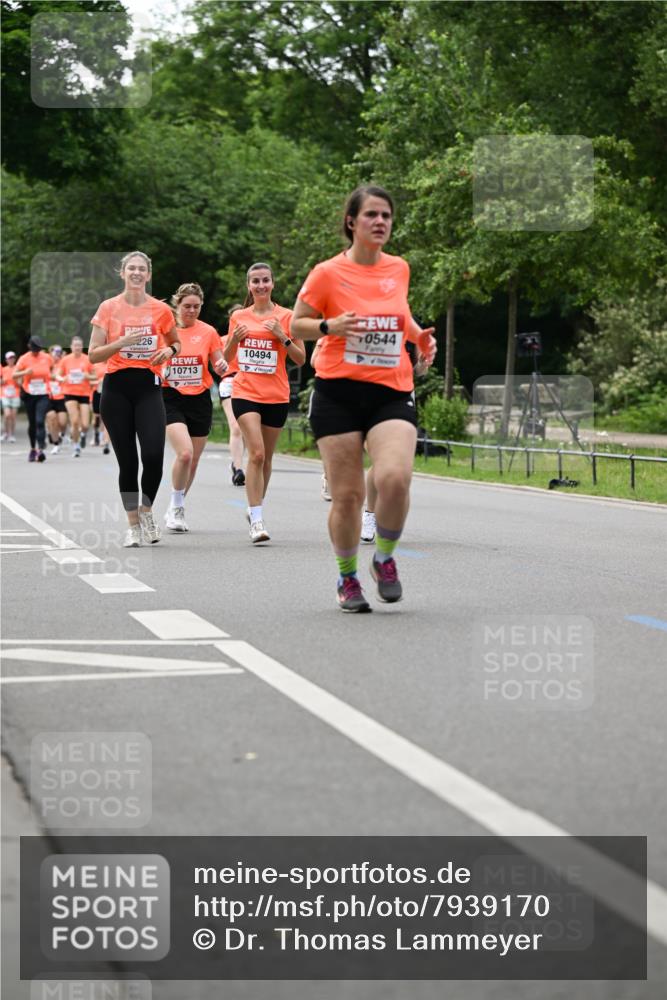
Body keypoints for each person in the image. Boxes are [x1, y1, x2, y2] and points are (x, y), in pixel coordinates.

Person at [291, 184, 436, 612]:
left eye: (386, 216)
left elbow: (399, 313)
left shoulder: (399, 268)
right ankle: (347, 576)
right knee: (348, 495)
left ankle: (385, 559)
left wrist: (417, 337)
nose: (380, 222)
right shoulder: (327, 273)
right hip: (337, 391)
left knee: (394, 478)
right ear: (351, 222)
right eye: (372, 215)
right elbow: (296, 323)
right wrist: (329, 327)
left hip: (391, 389)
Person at [88, 250, 180, 547]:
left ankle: (147, 511)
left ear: (148, 275)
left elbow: (175, 341)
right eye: (132, 268)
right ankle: (132, 525)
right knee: (128, 463)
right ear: (123, 273)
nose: (137, 273)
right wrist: (121, 343)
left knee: (153, 455)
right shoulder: (108, 308)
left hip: (148, 386)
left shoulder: (160, 310)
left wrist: (170, 351)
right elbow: (93, 355)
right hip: (116, 389)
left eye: (142, 269)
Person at [223, 263, 305, 543]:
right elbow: (226, 359)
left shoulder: (287, 316)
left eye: (265, 281)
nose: (261, 285)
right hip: (245, 392)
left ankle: (254, 505)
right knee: (255, 454)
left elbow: (300, 358)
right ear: (249, 286)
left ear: (272, 284)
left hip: (276, 395)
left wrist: (282, 337)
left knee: (266, 458)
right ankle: (257, 521)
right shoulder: (238, 317)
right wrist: (233, 340)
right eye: (255, 281)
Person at [162, 282, 226, 532]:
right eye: (187, 306)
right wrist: (162, 366)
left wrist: (221, 366)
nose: (192, 311)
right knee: (185, 453)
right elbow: (151, 360)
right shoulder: (163, 331)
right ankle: (178, 508)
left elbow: (218, 361)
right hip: (170, 396)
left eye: (196, 307)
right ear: (177, 306)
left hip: (199, 398)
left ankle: (174, 504)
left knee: (194, 459)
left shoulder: (208, 332)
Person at [360, 345, 430, 544]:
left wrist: (423, 365)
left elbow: (417, 369)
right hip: (368, 395)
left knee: (397, 463)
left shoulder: (411, 325)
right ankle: (370, 514)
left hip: (401, 397)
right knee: (379, 458)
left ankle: (387, 518)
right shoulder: (365, 319)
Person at [13, 336, 53, 462]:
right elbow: (14, 374)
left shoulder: (47, 357)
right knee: (32, 424)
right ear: (29, 347)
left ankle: (41, 449)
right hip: (29, 394)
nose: (36, 351)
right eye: (34, 349)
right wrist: (25, 373)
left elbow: (52, 369)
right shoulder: (24, 359)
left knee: (40, 420)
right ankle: (32, 448)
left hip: (43, 394)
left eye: (38, 349)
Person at [218, 304, 246, 486]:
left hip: (250, 384)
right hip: (229, 383)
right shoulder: (222, 341)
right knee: (235, 427)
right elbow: (216, 366)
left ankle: (244, 464)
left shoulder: (254, 338)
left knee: (249, 430)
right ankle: (238, 469)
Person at [56, 336, 95, 457]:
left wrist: (87, 376)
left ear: (82, 346)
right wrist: (63, 378)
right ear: (71, 346)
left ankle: (82, 435)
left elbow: (95, 376)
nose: (77, 347)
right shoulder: (66, 360)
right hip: (69, 392)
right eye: (75, 345)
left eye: (79, 345)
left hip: (84, 393)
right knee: (74, 421)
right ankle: (76, 446)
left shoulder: (87, 359)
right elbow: (57, 375)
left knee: (85, 424)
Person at [45, 345, 68, 453]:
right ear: (51, 353)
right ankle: (56, 443)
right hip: (48, 396)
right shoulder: (46, 364)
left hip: (61, 396)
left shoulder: (62, 364)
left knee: (63, 422)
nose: (57, 355)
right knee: (51, 418)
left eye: (59, 352)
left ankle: (59, 435)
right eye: (55, 352)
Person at [90, 360, 111, 453]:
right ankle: (95, 434)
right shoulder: (96, 365)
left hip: (109, 393)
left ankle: (104, 438)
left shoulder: (112, 363)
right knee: (96, 417)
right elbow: (89, 380)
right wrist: (98, 381)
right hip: (97, 392)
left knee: (106, 417)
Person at [1, 350, 20, 442]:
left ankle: (11, 434)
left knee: (13, 416)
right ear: (6, 360)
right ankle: (5, 433)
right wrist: (2, 382)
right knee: (7, 414)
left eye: (12, 358)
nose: (11, 360)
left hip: (15, 394)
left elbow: (21, 383)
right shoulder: (3, 369)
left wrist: (17, 381)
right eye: (9, 358)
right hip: (5, 394)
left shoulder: (18, 369)